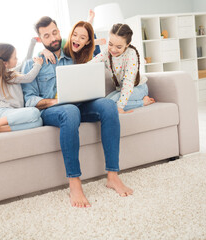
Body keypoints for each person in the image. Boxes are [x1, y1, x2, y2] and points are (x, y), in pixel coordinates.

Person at [21, 16, 133, 208]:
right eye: (46, 36)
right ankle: (74, 183)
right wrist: (54, 101)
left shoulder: (73, 57)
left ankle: (113, 176)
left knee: (107, 105)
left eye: (55, 32)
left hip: (78, 105)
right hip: (52, 111)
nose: (53, 38)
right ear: (40, 39)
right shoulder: (32, 64)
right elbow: (29, 99)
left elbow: (92, 45)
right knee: (70, 111)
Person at [0, 43, 44, 137]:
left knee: (39, 122)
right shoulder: (8, 76)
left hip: (14, 115)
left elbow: (24, 63)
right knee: (34, 112)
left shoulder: (5, 73)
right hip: (4, 114)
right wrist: (38, 65)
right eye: (15, 58)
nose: (17, 59)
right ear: (5, 63)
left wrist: (33, 43)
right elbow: (29, 77)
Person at [90, 23, 155, 114]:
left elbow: (128, 82)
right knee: (105, 102)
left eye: (118, 47)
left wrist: (120, 107)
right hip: (120, 90)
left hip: (138, 88)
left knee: (111, 104)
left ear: (127, 45)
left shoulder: (131, 54)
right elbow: (91, 64)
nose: (113, 49)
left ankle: (143, 102)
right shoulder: (107, 53)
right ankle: (142, 101)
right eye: (110, 44)